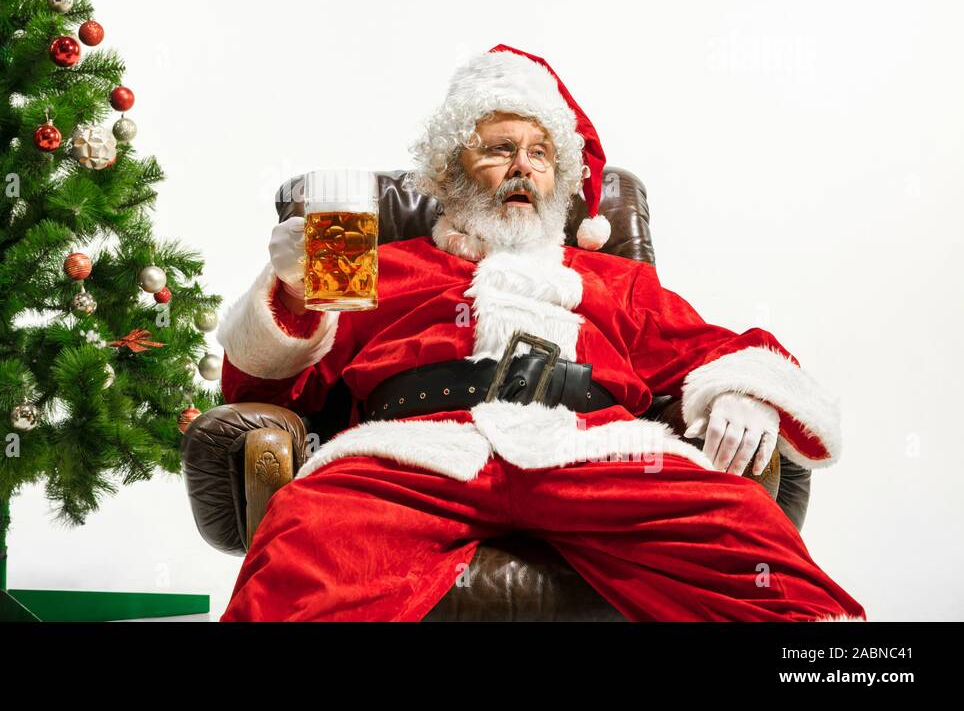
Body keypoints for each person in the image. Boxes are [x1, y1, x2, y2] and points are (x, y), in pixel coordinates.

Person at [215, 44, 866, 622]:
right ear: (447, 171)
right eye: (500, 149)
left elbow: (708, 349)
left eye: (540, 154)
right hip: (411, 453)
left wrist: (740, 390)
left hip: (592, 448)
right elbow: (271, 390)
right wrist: (295, 297)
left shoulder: (610, 279)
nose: (523, 168)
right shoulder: (372, 265)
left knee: (746, 536)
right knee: (305, 541)